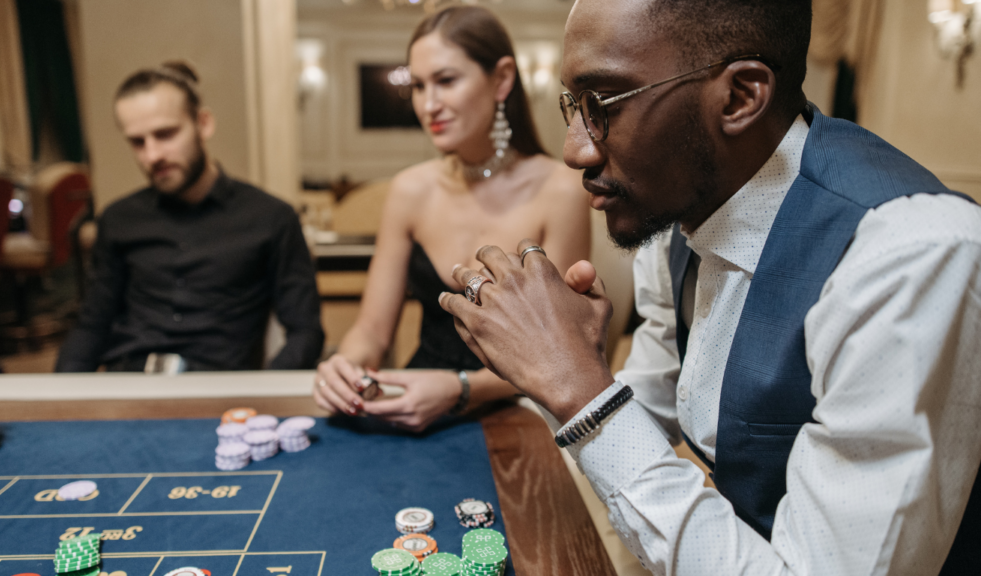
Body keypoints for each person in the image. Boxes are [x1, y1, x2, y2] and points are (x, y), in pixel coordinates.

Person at [439, 0, 981, 574]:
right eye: (573, 105)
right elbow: (648, 399)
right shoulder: (681, 207)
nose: (576, 149)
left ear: (740, 97)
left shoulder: (909, 261)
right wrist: (554, 364)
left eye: (604, 105)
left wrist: (583, 394)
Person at [313, 6, 590, 431]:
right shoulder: (408, 190)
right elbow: (371, 330)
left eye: (446, 81)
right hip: (418, 399)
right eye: (418, 86)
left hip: (519, 405)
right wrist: (344, 367)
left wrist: (461, 388)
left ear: (501, 79)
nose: (428, 104)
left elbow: (562, 351)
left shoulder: (560, 189)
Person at [56, 62, 324, 372]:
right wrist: (55, 402)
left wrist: (262, 399)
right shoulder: (118, 219)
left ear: (203, 124)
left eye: (165, 134)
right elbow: (92, 325)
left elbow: (306, 332)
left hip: (219, 391)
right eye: (137, 142)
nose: (152, 155)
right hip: (129, 383)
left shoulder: (271, 218)